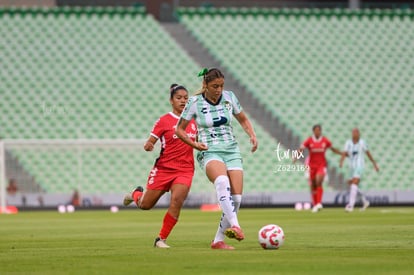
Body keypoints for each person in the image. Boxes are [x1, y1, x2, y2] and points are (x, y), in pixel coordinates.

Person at [175, 68, 258, 250]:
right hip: (209, 150)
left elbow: (243, 119)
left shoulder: (229, 97)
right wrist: (194, 144)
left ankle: (218, 241)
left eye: (221, 86)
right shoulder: (194, 102)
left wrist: (252, 134)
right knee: (221, 181)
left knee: (235, 199)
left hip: (232, 150)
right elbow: (179, 130)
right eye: (214, 86)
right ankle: (236, 226)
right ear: (205, 85)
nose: (219, 90)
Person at [123, 84, 197, 248]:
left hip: (185, 170)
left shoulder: (194, 121)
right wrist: (149, 145)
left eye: (186, 98)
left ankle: (161, 239)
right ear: (171, 101)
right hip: (164, 169)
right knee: (145, 205)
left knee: (177, 200)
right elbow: (150, 142)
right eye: (179, 98)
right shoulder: (164, 121)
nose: (183, 101)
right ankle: (135, 194)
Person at [295, 124, 342, 213]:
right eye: (316, 130)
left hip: (321, 165)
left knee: (318, 181)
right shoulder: (309, 140)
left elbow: (333, 149)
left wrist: (341, 153)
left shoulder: (325, 140)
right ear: (313, 131)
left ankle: (319, 203)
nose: (318, 132)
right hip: (312, 166)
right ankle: (315, 204)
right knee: (313, 185)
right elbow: (301, 148)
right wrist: (296, 157)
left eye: (319, 130)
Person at [339, 128, 379, 212]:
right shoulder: (348, 143)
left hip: (359, 166)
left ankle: (350, 205)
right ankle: (365, 201)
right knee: (353, 186)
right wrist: (342, 161)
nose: (355, 133)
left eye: (357, 132)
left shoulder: (362, 143)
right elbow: (344, 152)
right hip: (351, 167)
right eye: (354, 132)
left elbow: (368, 153)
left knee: (354, 184)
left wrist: (374, 163)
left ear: (359, 134)